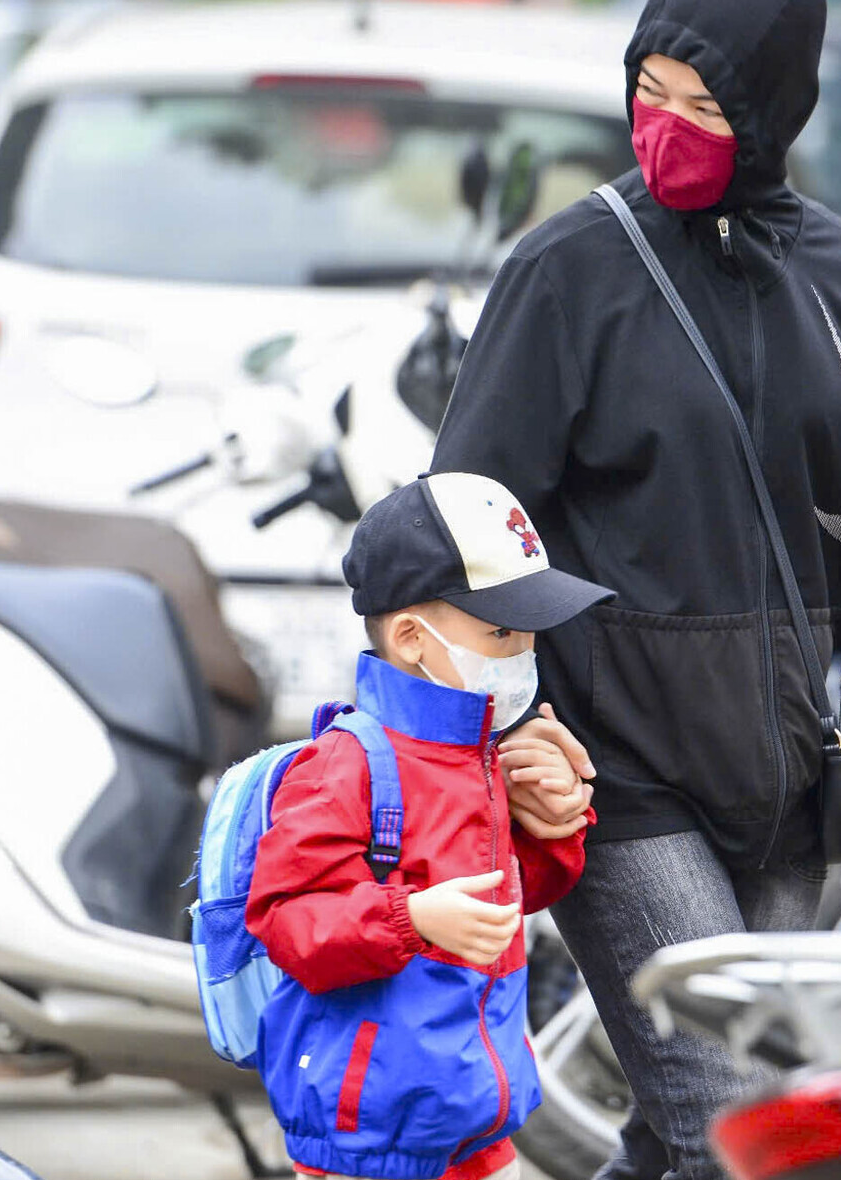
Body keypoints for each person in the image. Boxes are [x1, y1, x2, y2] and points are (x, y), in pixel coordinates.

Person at [429, 0, 841, 1180]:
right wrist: (513, 729)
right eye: (649, 94)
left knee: (693, 1135)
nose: (668, 126)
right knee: (740, 1128)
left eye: (708, 104)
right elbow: (469, 523)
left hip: (796, 781)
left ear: (778, 107)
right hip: (617, 775)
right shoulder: (568, 271)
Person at [246, 472, 613, 1180]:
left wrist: (554, 826)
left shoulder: (477, 751)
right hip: (371, 1147)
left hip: (478, 1126)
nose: (523, 652)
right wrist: (411, 917)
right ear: (412, 637)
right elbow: (287, 920)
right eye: (500, 630)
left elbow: (505, 900)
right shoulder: (347, 764)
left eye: (528, 629)